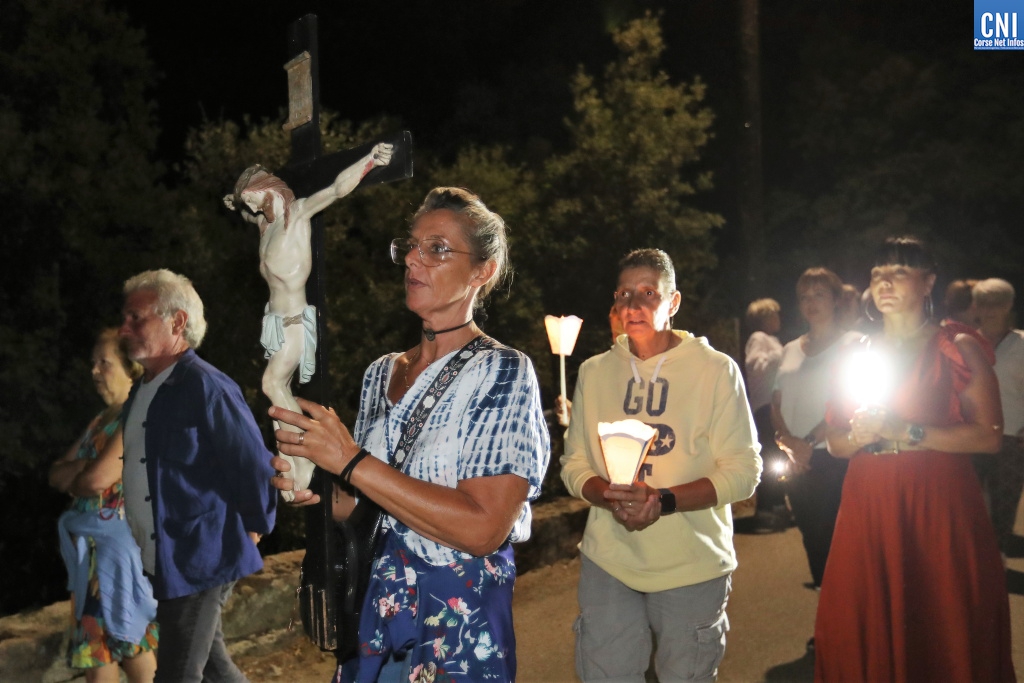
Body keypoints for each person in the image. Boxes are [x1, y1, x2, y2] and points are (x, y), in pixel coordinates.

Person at [270, 187, 550, 683]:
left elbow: (484, 529)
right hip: (377, 606)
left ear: (482, 271)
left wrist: (350, 460)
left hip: (457, 620)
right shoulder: (381, 373)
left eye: (437, 248)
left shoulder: (502, 371)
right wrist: (314, 481)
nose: (413, 260)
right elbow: (370, 507)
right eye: (411, 246)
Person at [815, 237, 1015, 682]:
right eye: (877, 273)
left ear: (928, 283)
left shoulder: (956, 346)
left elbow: (989, 436)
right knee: (861, 612)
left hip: (936, 499)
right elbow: (835, 441)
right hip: (869, 500)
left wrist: (908, 431)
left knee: (941, 612)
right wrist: (858, 435)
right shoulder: (855, 352)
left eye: (899, 271)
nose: (884, 282)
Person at [560, 248, 762, 683]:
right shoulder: (595, 372)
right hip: (609, 559)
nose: (633, 304)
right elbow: (574, 463)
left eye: (648, 293)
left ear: (673, 302)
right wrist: (610, 497)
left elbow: (743, 471)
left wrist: (662, 501)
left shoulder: (715, 371)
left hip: (691, 563)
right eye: (624, 294)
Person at [118, 269, 278, 683]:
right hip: (165, 557)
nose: (124, 329)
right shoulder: (142, 390)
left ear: (177, 321)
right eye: (125, 318)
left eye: (137, 318)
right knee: (211, 666)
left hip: (200, 555)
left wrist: (255, 527)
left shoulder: (206, 386)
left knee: (177, 673)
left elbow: (253, 463)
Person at [224, 143, 393, 500]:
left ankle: (302, 454)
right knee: (278, 388)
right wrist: (236, 204)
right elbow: (248, 215)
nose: (251, 208)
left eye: (251, 199)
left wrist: (369, 161)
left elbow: (336, 189)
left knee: (272, 383)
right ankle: (292, 459)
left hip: (295, 319)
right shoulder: (266, 225)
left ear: (265, 189)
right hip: (275, 322)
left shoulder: (298, 215)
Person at [49, 329, 158, 683]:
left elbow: (96, 481)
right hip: (93, 556)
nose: (94, 370)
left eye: (104, 363)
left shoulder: (136, 415)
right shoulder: (100, 421)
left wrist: (82, 473)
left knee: (127, 649)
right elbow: (55, 473)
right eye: (93, 363)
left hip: (120, 556)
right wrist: (86, 467)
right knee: (110, 652)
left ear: (132, 367)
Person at [771, 268, 860, 591]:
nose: (811, 302)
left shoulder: (853, 344)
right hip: (796, 459)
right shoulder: (790, 348)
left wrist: (807, 442)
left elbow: (850, 402)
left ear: (836, 300)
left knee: (838, 539)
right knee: (811, 535)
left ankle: (847, 611)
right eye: (805, 296)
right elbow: (776, 402)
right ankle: (826, 608)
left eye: (819, 294)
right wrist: (788, 442)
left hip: (834, 455)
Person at [973, 277, 1024, 553]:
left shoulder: (1022, 345)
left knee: (1004, 506)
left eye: (997, 303)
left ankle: (998, 560)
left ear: (1009, 305)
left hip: (1011, 437)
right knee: (968, 503)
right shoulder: (964, 342)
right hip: (969, 435)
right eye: (984, 302)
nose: (990, 309)